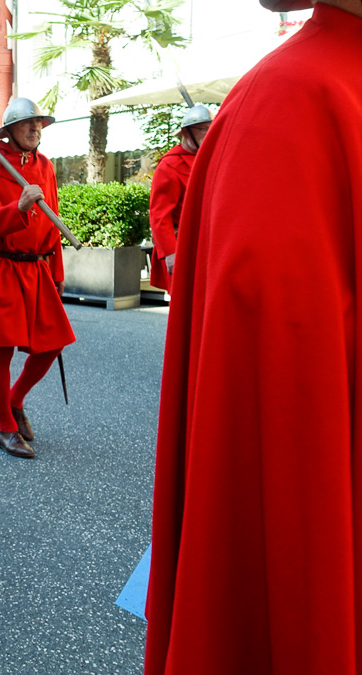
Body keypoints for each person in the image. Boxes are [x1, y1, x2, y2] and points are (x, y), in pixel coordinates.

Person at [146, 2, 362, 672]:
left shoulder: (294, 94)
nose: (187, 136)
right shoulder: (286, 100)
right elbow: (162, 212)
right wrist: (174, 250)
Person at [0, 98, 74, 460]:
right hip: (3, 268)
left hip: (38, 268)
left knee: (53, 342)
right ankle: (5, 427)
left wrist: (56, 271)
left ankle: (14, 400)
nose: (35, 129)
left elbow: (53, 220)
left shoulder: (45, 165)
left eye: (39, 123)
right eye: (27, 123)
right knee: (3, 349)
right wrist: (18, 208)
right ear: (9, 131)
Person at [148, 105, 213, 292]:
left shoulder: (210, 158)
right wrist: (171, 253)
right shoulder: (169, 165)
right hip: (182, 246)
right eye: (203, 128)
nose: (208, 133)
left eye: (211, 128)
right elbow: (159, 216)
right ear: (187, 132)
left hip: (207, 246)